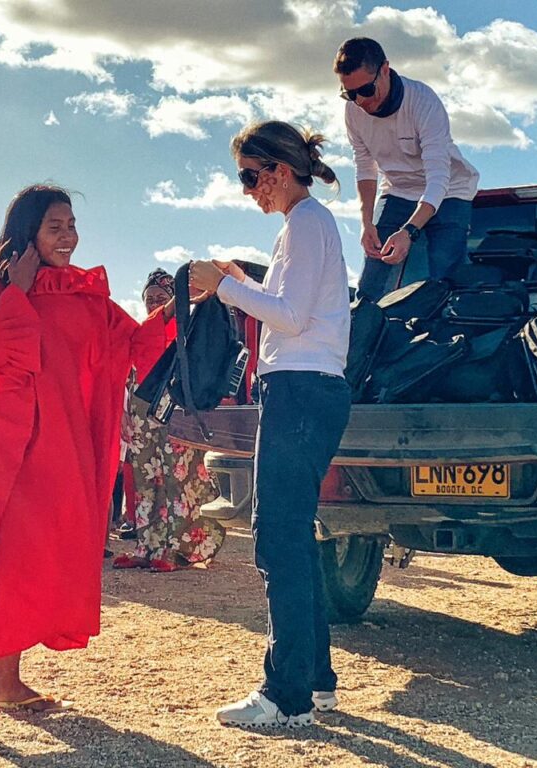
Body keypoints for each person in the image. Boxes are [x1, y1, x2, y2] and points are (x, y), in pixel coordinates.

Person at [0, 183, 165, 737]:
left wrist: (184, 306)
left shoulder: (85, 295)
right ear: (28, 231)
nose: (69, 236)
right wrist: (14, 288)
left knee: (41, 554)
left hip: (65, 449)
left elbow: (135, 345)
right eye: (55, 226)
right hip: (14, 447)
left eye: (72, 225)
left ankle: (5, 681)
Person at [190, 121, 351, 728]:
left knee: (279, 538)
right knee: (293, 537)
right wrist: (243, 281)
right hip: (311, 387)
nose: (248, 190)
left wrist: (227, 286)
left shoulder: (306, 224)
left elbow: (288, 315)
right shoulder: (308, 226)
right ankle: (314, 680)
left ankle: (288, 695)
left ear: (279, 171)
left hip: (300, 389)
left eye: (251, 176)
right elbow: (293, 309)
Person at [334, 37, 479, 300]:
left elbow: (438, 178)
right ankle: (366, 334)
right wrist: (367, 223)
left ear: (385, 70)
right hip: (398, 190)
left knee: (443, 281)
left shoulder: (423, 102)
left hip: (449, 191)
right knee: (370, 284)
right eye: (349, 93)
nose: (359, 102)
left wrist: (410, 232)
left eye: (366, 90)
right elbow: (365, 167)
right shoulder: (353, 111)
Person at [115, 269, 224, 572]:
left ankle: (178, 548)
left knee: (179, 479)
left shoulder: (186, 329)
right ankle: (146, 545)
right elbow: (129, 370)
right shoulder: (142, 330)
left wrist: (183, 298)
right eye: (149, 299)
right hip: (142, 408)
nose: (153, 304)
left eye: (160, 298)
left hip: (176, 406)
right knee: (144, 479)